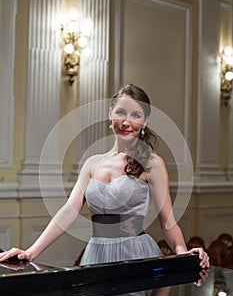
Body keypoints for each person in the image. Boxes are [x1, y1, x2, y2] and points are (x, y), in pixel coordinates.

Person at [0, 84, 209, 269]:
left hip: (137, 253)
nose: (127, 122)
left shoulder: (152, 163)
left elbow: (168, 222)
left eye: (136, 115)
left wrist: (184, 255)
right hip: (96, 254)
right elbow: (68, 212)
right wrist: (31, 252)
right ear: (110, 114)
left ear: (145, 121)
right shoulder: (92, 163)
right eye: (121, 112)